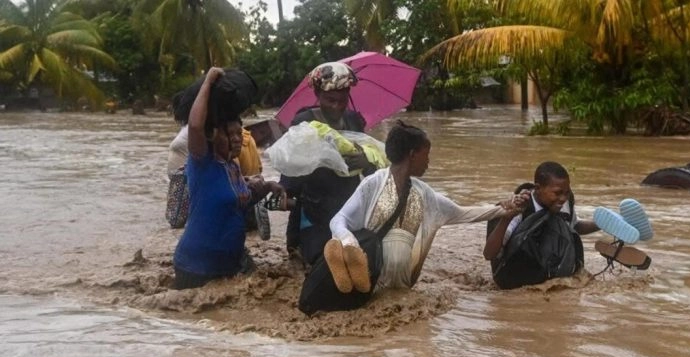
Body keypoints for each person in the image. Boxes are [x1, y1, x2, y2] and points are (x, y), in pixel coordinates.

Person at [298, 121, 520, 314]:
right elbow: (338, 220)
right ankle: (348, 260)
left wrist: (501, 210)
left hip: (401, 290)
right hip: (372, 283)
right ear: (413, 154)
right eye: (427, 154)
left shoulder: (425, 194)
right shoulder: (373, 184)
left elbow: (461, 213)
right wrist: (349, 242)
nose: (428, 162)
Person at [172, 67, 284, 290]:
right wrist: (209, 82)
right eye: (229, 134)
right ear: (213, 135)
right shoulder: (203, 162)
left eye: (239, 134)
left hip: (231, 264)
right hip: (196, 268)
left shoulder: (232, 167)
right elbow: (195, 126)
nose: (237, 140)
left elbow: (240, 199)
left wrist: (269, 186)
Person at [281, 61, 376, 266]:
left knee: (366, 260)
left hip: (347, 208)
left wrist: (365, 159)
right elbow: (290, 175)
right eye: (330, 100)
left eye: (342, 100)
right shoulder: (304, 122)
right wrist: (321, 160)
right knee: (323, 264)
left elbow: (373, 168)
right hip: (314, 212)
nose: (337, 106)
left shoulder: (354, 121)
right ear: (317, 95)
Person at [483, 161, 600, 289]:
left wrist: (601, 224)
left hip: (548, 272)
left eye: (566, 193)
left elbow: (574, 227)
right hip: (516, 277)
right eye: (557, 193)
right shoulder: (520, 206)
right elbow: (489, 254)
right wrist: (506, 218)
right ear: (538, 188)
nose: (562, 198)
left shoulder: (564, 202)